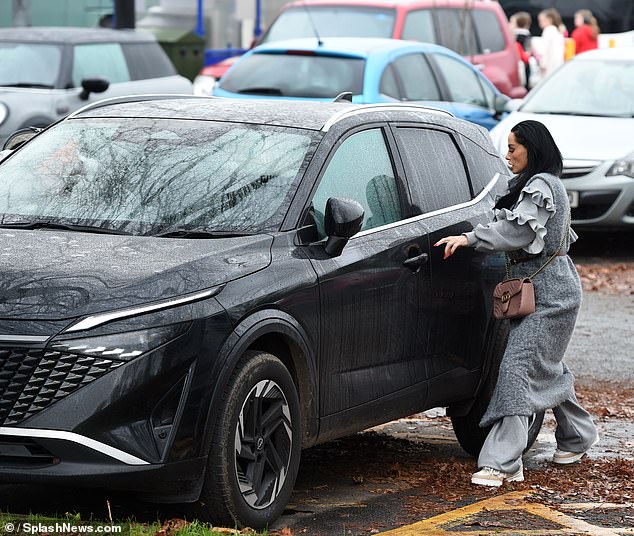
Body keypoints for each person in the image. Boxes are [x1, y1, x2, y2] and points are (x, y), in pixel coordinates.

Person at [435, 120, 599, 487]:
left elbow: (518, 232)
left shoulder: (541, 185)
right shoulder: (537, 184)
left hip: (551, 296)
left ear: (532, 148)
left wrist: (469, 237)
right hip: (541, 291)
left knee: (516, 370)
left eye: (513, 148)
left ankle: (503, 460)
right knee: (545, 367)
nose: (507, 156)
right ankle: (578, 436)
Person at [538, 8, 565, 77]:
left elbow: (544, 49)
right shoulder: (558, 31)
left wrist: (542, 64)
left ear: (549, 20)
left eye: (541, 20)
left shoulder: (548, 30)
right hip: (558, 64)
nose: (540, 23)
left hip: (549, 65)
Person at [510, 12, 533, 90]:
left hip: (520, 62)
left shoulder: (516, 35)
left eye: (511, 22)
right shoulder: (528, 35)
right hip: (526, 62)